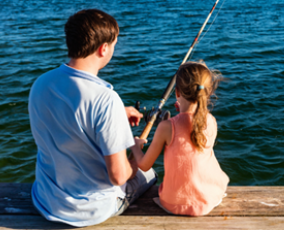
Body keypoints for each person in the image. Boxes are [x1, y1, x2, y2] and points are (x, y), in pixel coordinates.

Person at [28, 9, 157, 227]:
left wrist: (117, 114)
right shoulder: (106, 100)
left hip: (45, 200)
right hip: (89, 210)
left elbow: (71, 115)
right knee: (150, 174)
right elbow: (118, 177)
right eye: (114, 44)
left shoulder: (41, 84)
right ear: (103, 48)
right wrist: (137, 156)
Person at [131, 62, 229, 216]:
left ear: (177, 92)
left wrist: (136, 147)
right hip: (206, 201)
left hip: (172, 203)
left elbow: (144, 165)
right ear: (207, 93)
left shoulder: (166, 127)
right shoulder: (211, 121)